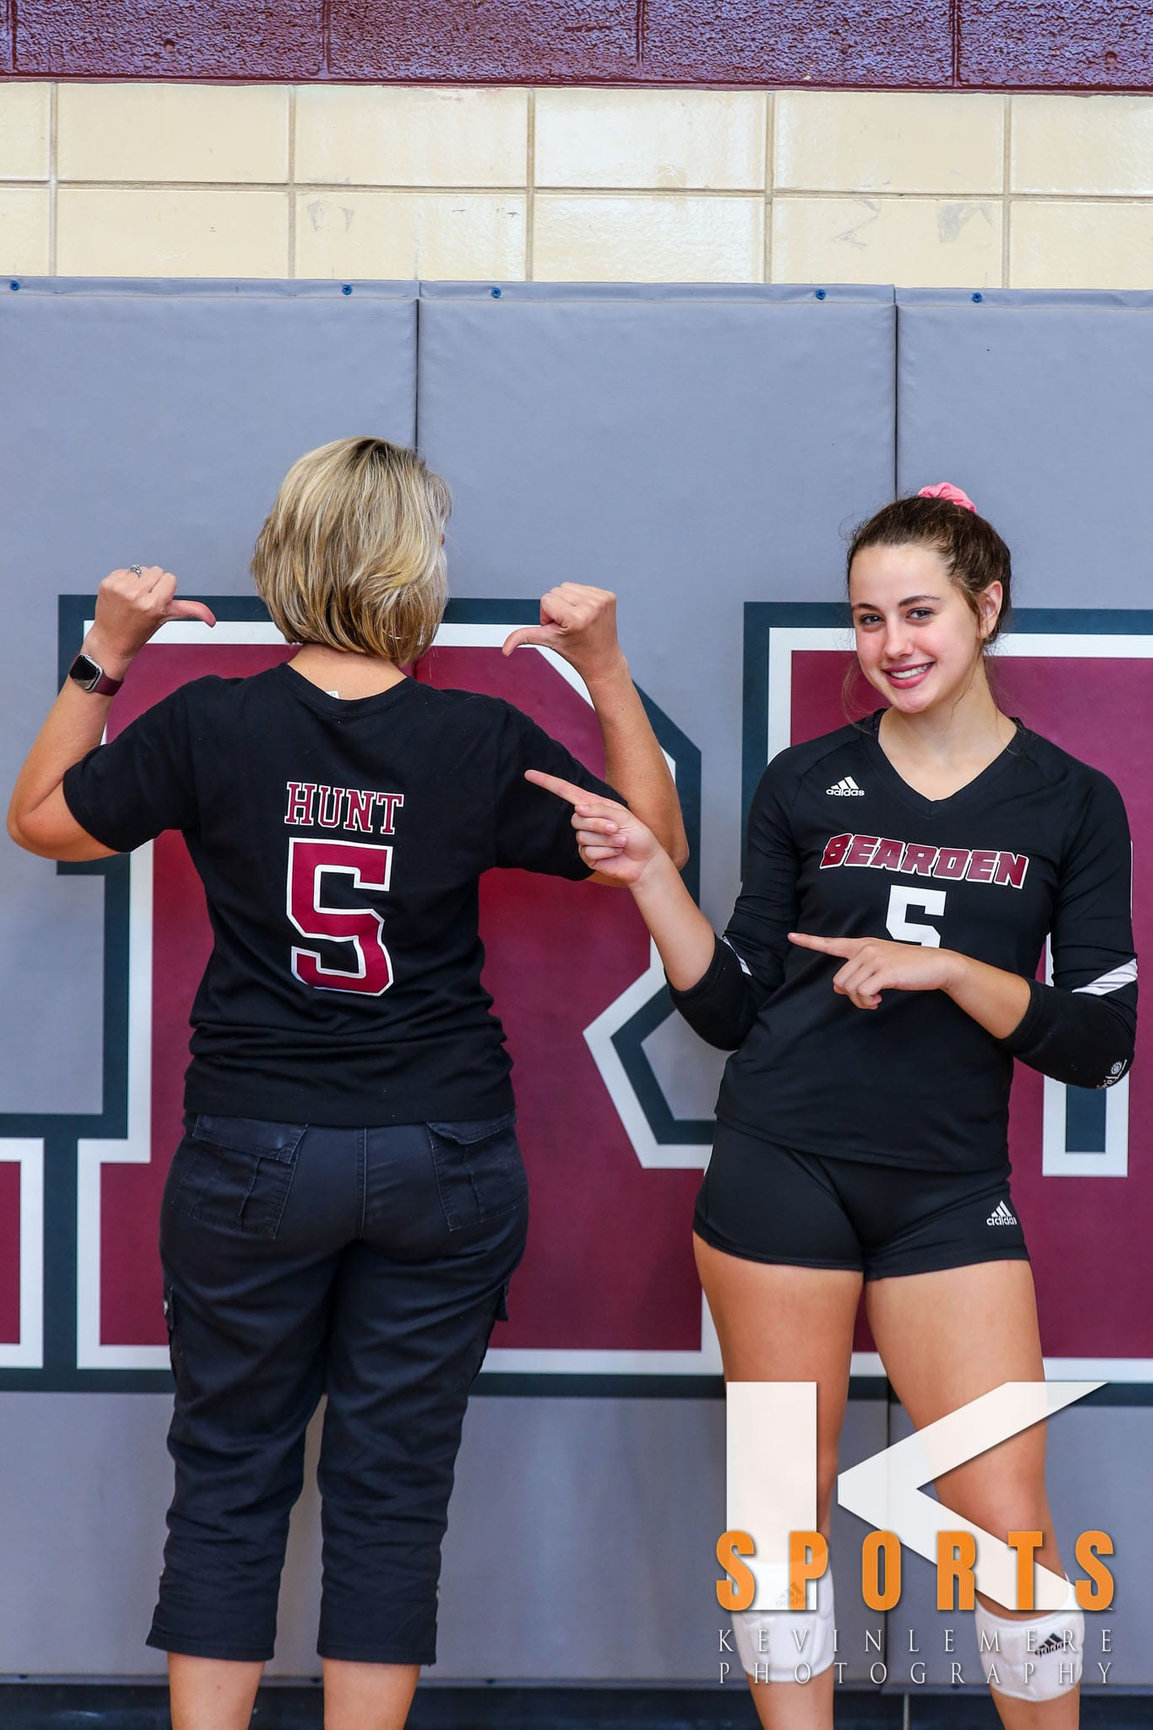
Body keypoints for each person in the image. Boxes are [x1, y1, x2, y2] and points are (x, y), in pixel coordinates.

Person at [7, 435, 687, 1730]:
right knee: (389, 1489)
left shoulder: (214, 722)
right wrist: (602, 665)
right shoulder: (475, 737)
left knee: (228, 1476)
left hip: (257, 1149)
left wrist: (108, 649)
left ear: (288, 555)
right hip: (442, 1149)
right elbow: (647, 847)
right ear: (413, 569)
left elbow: (40, 814)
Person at [531, 483, 1136, 1729]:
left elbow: (1102, 1047)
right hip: (777, 1171)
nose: (893, 644)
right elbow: (732, 1007)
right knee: (777, 1504)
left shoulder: (1072, 802)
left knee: (1008, 1522)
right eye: (867, 619)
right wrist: (653, 879)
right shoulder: (807, 780)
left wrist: (961, 972)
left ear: (986, 607)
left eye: (919, 611)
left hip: (945, 1191)